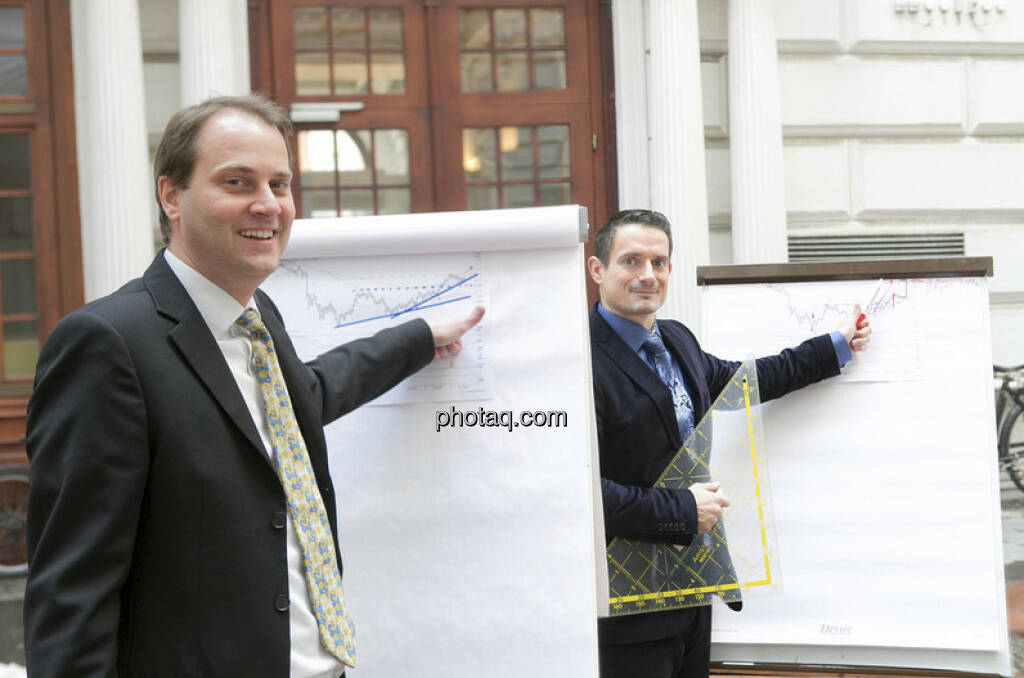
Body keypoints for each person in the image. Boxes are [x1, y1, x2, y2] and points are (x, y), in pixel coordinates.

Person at [23, 94, 483, 678]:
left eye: (280, 184)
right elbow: (71, 593)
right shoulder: (106, 344)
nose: (268, 206)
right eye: (238, 182)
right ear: (172, 196)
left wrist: (419, 337)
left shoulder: (258, 319)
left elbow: (305, 401)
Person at [588, 209, 869, 678]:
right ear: (598, 269)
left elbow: (748, 381)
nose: (647, 275)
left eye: (659, 262)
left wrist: (834, 346)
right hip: (627, 606)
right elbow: (578, 491)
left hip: (694, 591)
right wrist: (680, 510)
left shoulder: (676, 339)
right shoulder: (579, 361)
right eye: (631, 261)